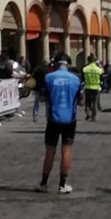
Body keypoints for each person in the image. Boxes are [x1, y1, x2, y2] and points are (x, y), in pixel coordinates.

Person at [35, 54, 82, 194]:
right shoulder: (76, 79)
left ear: (55, 64)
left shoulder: (48, 78)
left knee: (50, 152)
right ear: (68, 64)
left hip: (53, 118)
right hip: (70, 119)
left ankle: (43, 183)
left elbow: (42, 98)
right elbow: (81, 101)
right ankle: (62, 185)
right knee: (66, 152)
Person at [81, 54, 103, 121]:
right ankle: (93, 117)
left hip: (87, 87)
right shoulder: (98, 69)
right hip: (96, 88)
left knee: (87, 102)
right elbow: (101, 78)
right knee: (95, 103)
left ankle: (88, 113)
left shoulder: (85, 69)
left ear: (88, 60)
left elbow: (82, 78)